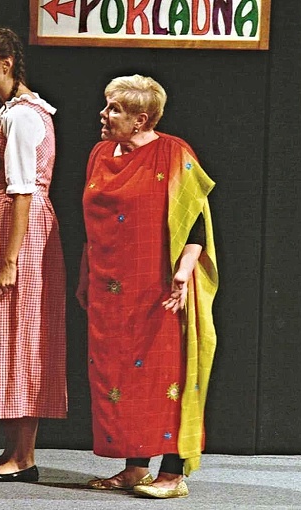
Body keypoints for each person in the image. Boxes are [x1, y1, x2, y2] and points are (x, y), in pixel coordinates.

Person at [77, 75, 218, 499]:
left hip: (160, 288)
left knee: (164, 375)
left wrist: (184, 270)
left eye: (114, 109)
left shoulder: (174, 153)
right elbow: (92, 225)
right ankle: (135, 468)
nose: (103, 115)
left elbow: (195, 222)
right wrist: (86, 274)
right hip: (109, 286)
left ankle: (173, 474)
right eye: (107, 106)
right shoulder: (100, 153)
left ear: (140, 120)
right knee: (121, 373)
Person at [0, 27, 67, 483]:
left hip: (22, 229)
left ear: (6, 64)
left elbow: (23, 190)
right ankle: (14, 450)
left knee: (22, 333)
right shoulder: (10, 112)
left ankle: (24, 457)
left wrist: (10, 260)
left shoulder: (23, 116)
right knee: (7, 333)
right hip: (9, 223)